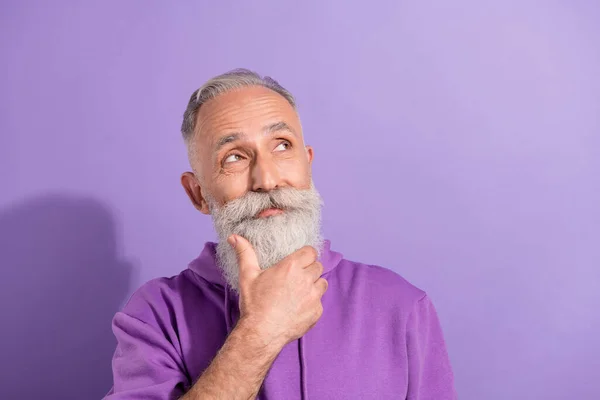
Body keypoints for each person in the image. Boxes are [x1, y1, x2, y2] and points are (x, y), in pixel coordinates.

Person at [105, 69, 457, 400]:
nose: (268, 180)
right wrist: (260, 331)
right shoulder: (156, 314)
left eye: (282, 145)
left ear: (308, 163)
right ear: (198, 194)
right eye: (234, 157)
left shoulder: (402, 305)